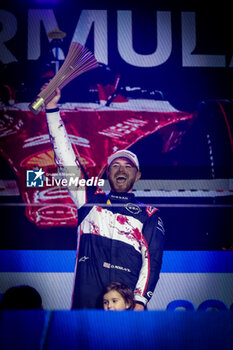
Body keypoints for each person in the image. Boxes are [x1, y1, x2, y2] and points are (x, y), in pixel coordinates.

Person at [45, 87, 165, 310]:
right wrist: (51, 110)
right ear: (107, 174)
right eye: (115, 166)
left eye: (128, 166)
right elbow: (65, 159)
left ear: (137, 176)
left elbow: (152, 261)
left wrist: (139, 303)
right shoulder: (89, 200)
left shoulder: (148, 214)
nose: (121, 169)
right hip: (85, 308)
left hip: (127, 312)